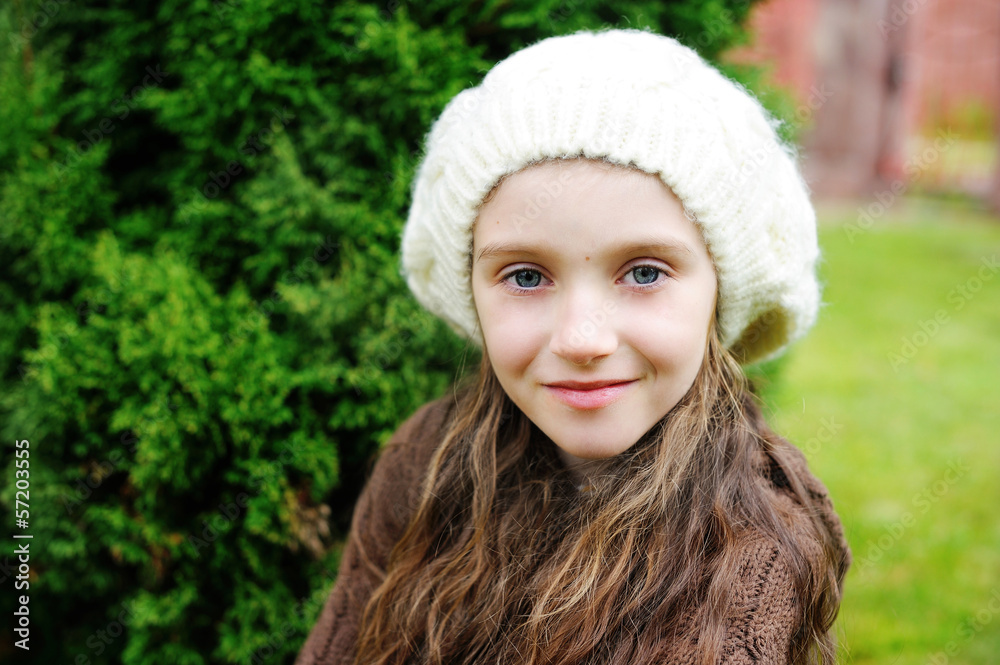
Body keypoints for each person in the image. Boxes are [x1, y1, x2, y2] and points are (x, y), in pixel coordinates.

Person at [296, 27, 851, 665]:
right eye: (526, 277)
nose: (582, 339)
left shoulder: (752, 547)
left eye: (644, 273)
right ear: (470, 290)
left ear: (722, 293)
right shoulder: (425, 463)